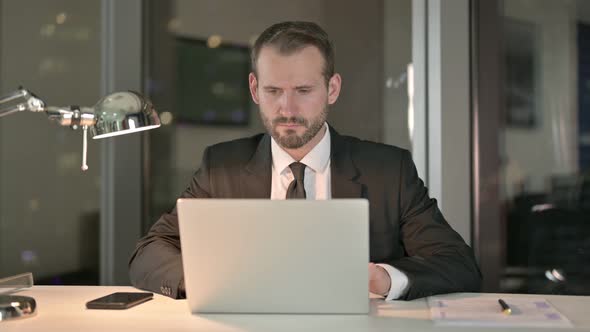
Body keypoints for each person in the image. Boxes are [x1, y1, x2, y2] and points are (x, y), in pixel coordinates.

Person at [129, 21, 481, 301]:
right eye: (273, 91)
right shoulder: (221, 166)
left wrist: (384, 278)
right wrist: (212, 282)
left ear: (332, 89)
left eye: (303, 91)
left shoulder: (389, 169)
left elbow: (458, 264)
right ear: (254, 90)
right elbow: (148, 253)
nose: (287, 109)